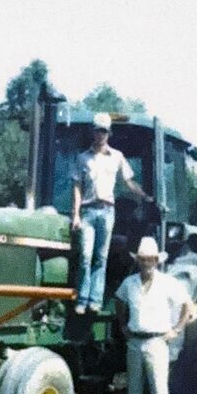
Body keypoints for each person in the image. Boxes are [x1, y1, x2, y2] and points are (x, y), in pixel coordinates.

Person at [113, 235, 191, 394]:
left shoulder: (167, 283)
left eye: (150, 260)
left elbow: (187, 304)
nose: (146, 263)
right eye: (143, 259)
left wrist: (176, 330)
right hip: (135, 342)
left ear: (157, 261)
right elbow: (119, 301)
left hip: (157, 342)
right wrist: (123, 325)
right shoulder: (130, 284)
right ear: (138, 261)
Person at [70, 112, 151, 314]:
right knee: (86, 256)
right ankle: (82, 299)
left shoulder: (117, 157)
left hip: (107, 211)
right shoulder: (82, 158)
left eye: (104, 131)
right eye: (98, 130)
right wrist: (76, 215)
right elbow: (77, 187)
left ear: (109, 133)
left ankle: (95, 301)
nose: (101, 134)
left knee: (101, 257)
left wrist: (144, 196)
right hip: (88, 211)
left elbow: (129, 181)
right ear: (93, 132)